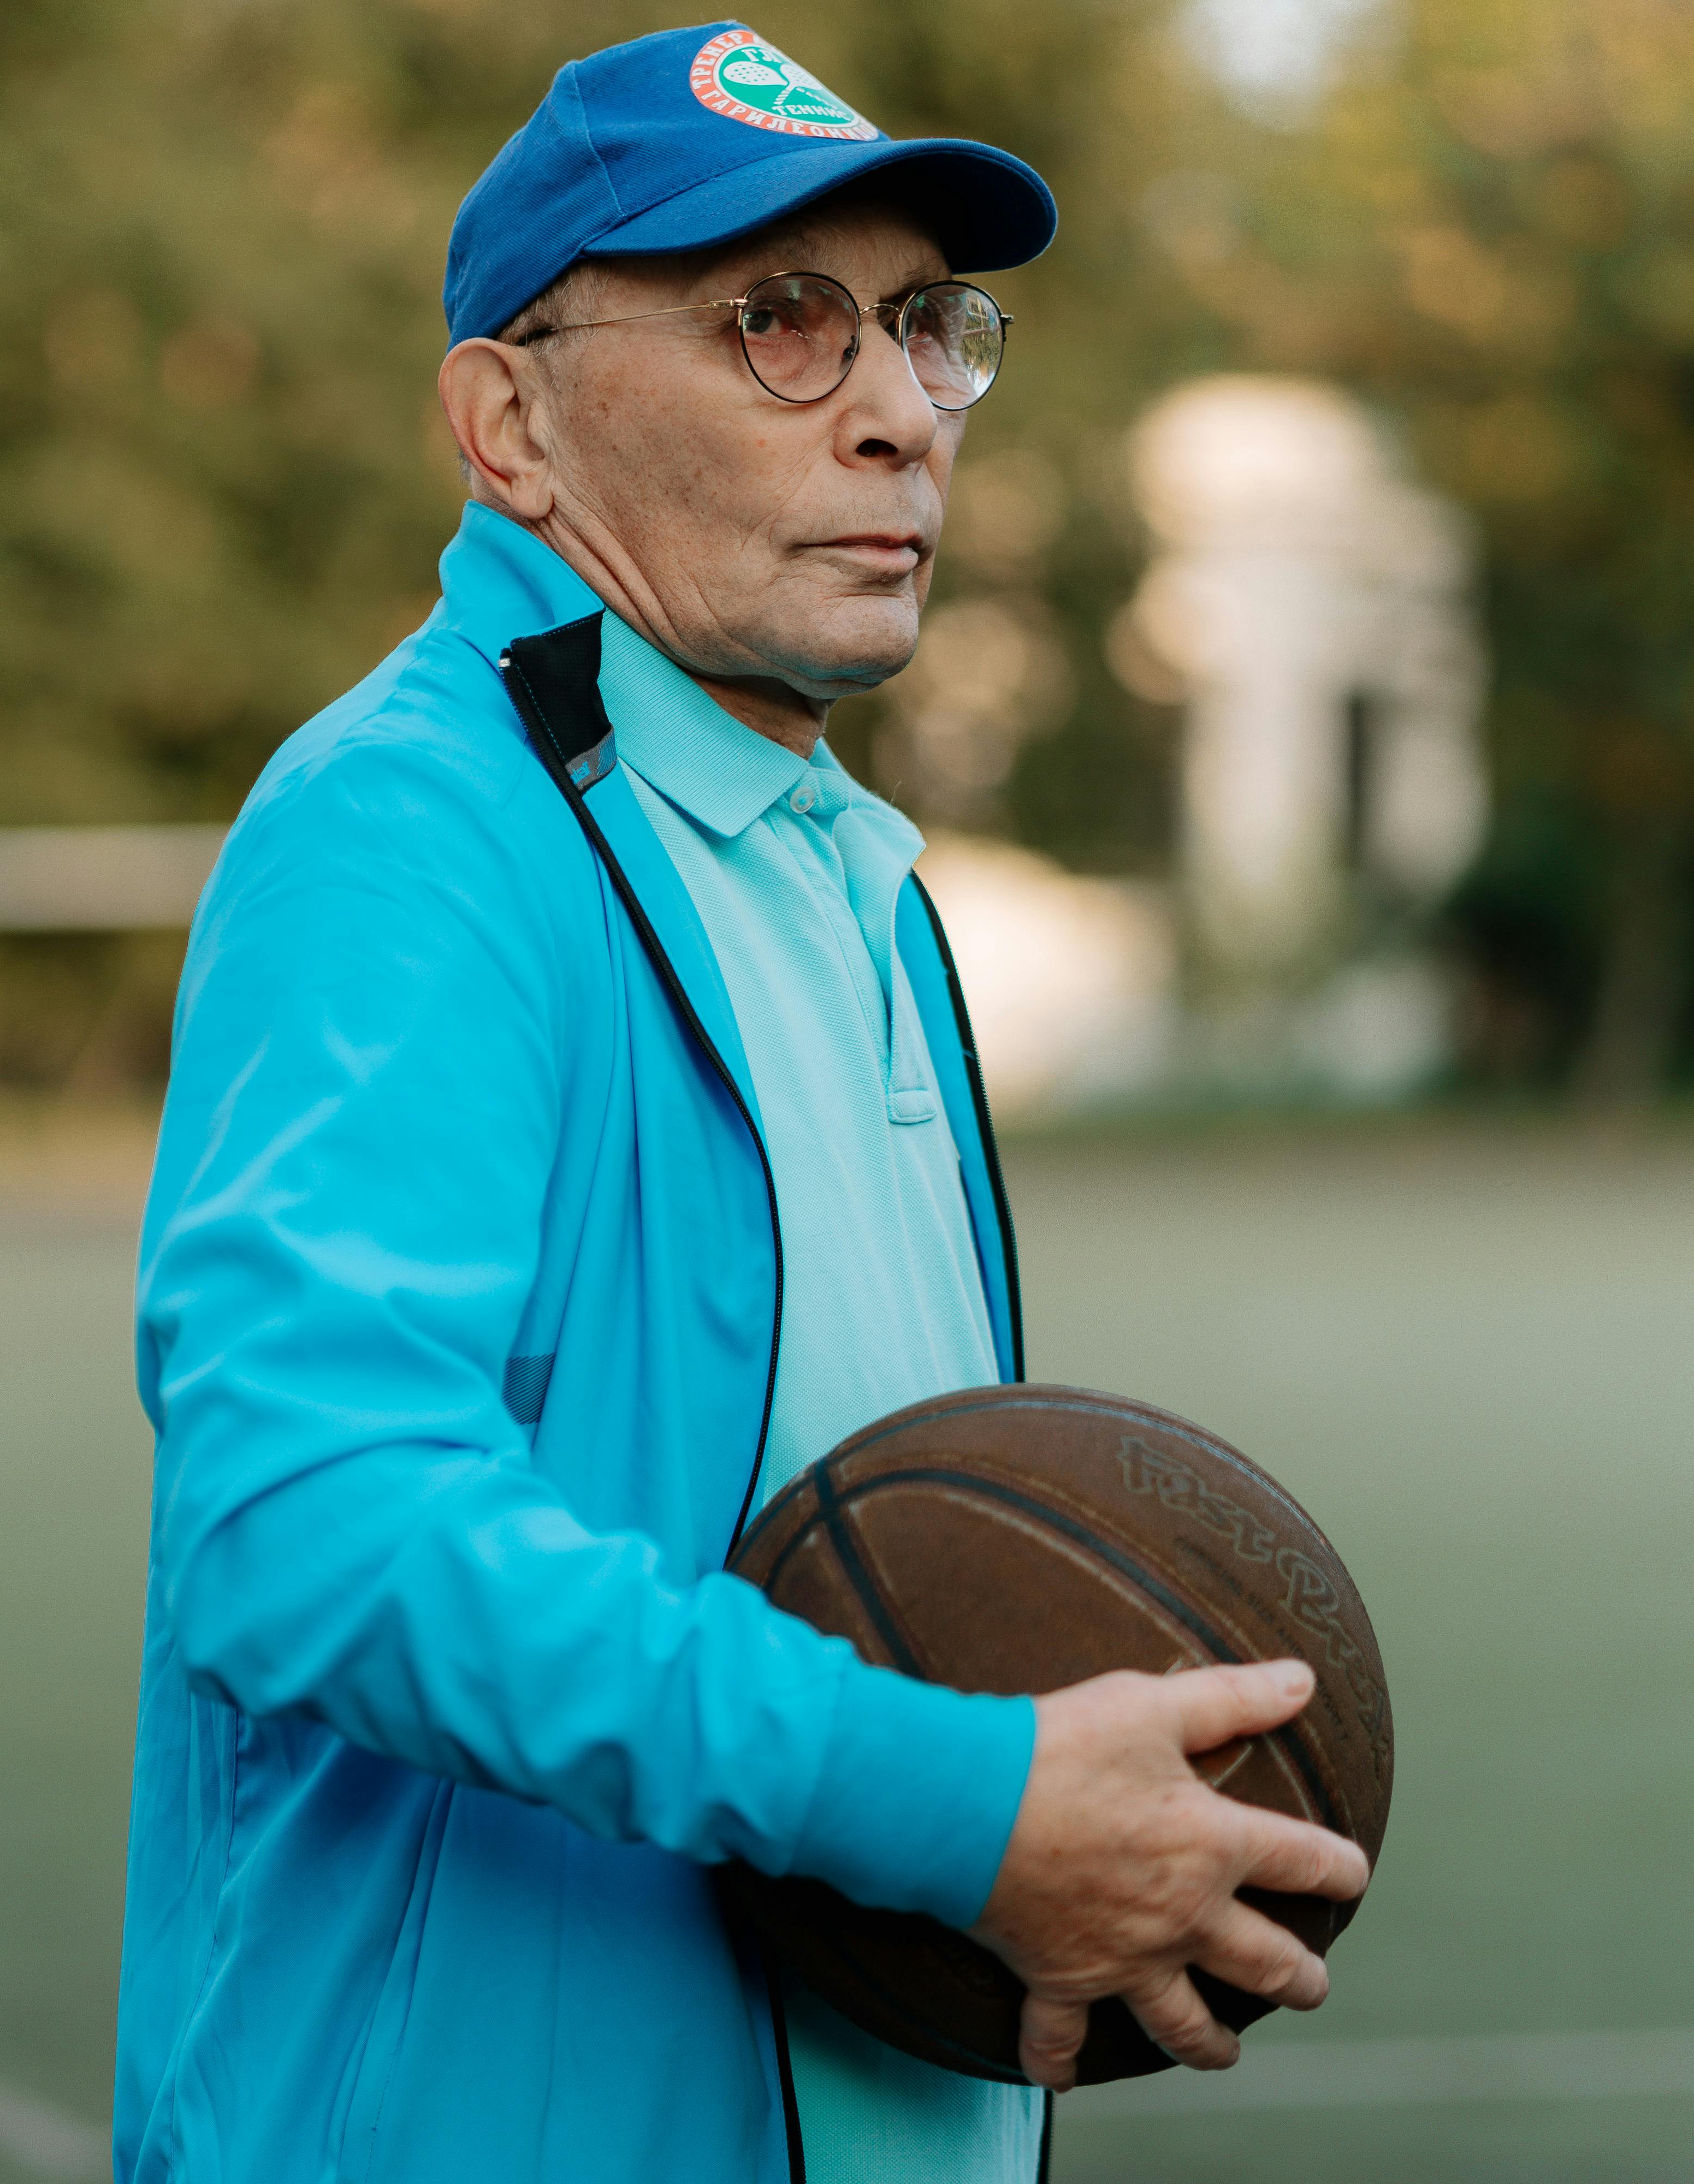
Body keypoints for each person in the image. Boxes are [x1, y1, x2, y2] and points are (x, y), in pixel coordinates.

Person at [115, 26, 1369, 2183]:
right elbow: (304, 1521)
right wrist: (952, 1800)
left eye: (924, 326)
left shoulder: (849, 879)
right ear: (511, 423)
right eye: (776, 322)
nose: (895, 406)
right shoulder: (414, 831)